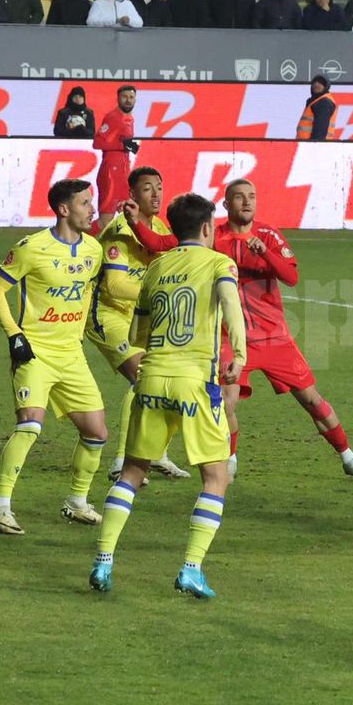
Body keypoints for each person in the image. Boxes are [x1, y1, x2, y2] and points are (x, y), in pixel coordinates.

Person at [129, 180, 353, 485]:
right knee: (226, 402)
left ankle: (348, 457)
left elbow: (292, 277)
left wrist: (266, 255)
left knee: (311, 399)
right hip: (229, 338)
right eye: (239, 197)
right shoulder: (213, 236)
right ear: (226, 205)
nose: (247, 202)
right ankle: (230, 460)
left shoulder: (268, 235)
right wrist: (135, 223)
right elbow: (162, 245)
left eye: (252, 197)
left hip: (274, 337)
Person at [87, 193, 247, 598]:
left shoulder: (156, 267)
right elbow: (231, 308)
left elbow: (137, 332)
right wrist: (240, 356)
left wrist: (146, 356)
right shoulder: (218, 263)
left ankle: (103, 561)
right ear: (208, 228)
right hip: (195, 381)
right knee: (216, 476)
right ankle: (191, 568)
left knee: (131, 473)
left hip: (151, 378)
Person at [0, 179, 108, 536]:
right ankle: (0, 507)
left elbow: (88, 295)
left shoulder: (94, 250)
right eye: (85, 203)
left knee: (96, 432)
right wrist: (14, 335)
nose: (92, 209)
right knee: (31, 425)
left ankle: (77, 502)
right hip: (35, 353)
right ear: (64, 209)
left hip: (71, 355)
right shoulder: (31, 248)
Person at [87, 168, 191, 483]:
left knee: (170, 378)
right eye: (147, 189)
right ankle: (122, 461)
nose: (156, 194)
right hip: (108, 315)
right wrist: (158, 293)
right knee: (143, 377)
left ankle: (156, 453)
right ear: (133, 195)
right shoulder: (120, 230)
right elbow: (114, 286)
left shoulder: (159, 227)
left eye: (159, 187)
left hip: (141, 317)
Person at [94, 85, 139, 230]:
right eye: (125, 97)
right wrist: (122, 145)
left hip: (123, 172)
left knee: (128, 214)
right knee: (105, 219)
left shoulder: (129, 119)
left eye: (131, 97)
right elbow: (98, 142)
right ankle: (78, 242)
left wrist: (127, 146)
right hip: (111, 172)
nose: (128, 100)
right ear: (118, 98)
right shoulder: (112, 117)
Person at [295, 75, 338, 141]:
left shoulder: (324, 102)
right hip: (306, 145)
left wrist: (314, 145)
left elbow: (320, 129)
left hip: (313, 146)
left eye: (321, 83)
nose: (316, 85)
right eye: (314, 83)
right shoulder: (315, 101)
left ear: (326, 86)